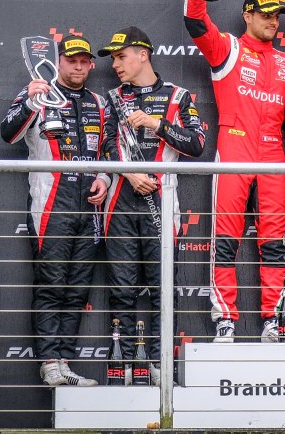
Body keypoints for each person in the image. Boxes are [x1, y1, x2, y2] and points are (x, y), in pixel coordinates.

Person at [184, 0, 285, 342]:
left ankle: (272, 319)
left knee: (274, 244)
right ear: (247, 15)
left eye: (277, 15)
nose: (273, 21)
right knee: (226, 241)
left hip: (274, 156)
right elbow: (194, 19)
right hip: (234, 148)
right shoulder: (228, 48)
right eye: (266, 14)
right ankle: (225, 319)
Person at [97, 25, 205, 381]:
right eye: (113, 59)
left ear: (142, 55)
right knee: (122, 290)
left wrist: (157, 124)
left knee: (163, 289)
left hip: (162, 201)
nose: (115, 65)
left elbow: (196, 144)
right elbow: (105, 145)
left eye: (121, 57)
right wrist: (129, 173)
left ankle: (159, 366)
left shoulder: (179, 96)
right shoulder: (113, 97)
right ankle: (124, 366)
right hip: (120, 201)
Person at [0, 36, 108, 388]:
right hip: (50, 205)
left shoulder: (99, 103)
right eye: (71, 60)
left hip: (90, 208)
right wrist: (31, 101)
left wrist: (105, 177)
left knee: (77, 291)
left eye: (83, 61)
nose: (77, 66)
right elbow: (9, 134)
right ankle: (49, 362)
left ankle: (64, 362)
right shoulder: (38, 93)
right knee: (51, 285)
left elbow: (110, 150)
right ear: (58, 62)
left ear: (91, 65)